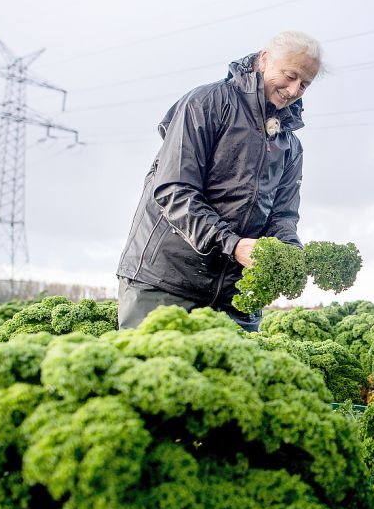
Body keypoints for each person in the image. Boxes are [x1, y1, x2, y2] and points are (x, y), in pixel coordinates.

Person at [116, 31, 323, 331]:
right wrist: (232, 244)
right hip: (166, 283)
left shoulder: (289, 144)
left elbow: (283, 216)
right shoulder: (206, 104)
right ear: (264, 60)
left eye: (304, 84)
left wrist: (290, 251)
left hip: (234, 298)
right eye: (290, 76)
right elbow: (174, 189)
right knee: (151, 372)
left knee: (237, 377)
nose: (293, 90)